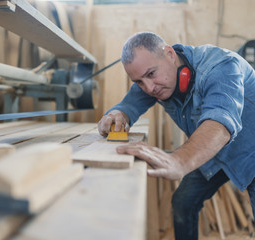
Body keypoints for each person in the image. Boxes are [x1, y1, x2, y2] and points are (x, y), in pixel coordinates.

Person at [97, 31, 255, 239]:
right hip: (211, 154)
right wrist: (117, 114)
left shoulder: (221, 66)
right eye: (139, 82)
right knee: (183, 203)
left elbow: (220, 123)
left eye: (151, 74)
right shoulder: (154, 79)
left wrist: (179, 160)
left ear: (170, 54)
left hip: (249, 152)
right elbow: (129, 104)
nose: (149, 88)